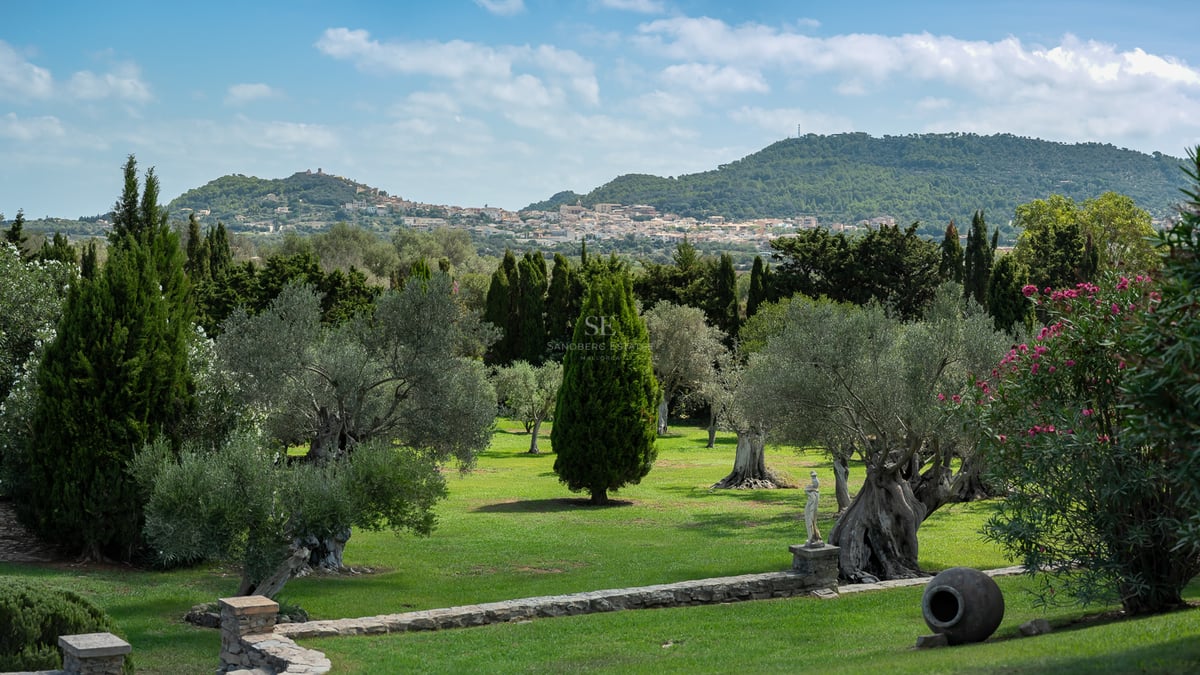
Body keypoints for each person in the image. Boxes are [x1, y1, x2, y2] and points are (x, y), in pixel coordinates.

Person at [804, 470, 822, 547]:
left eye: (814, 477)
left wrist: (809, 491)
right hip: (811, 506)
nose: (814, 479)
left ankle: (813, 537)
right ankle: (813, 537)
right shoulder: (813, 492)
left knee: (811, 521)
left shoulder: (814, 494)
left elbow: (813, 509)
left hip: (812, 509)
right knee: (810, 520)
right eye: (813, 477)